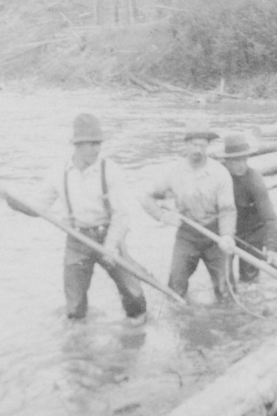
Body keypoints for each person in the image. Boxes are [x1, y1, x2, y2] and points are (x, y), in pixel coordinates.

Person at [23, 113, 147, 322]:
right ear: (77, 145)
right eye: (91, 144)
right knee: (74, 305)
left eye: (98, 143)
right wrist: (13, 202)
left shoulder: (110, 170)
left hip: (108, 236)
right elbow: (37, 208)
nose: (96, 149)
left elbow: (121, 215)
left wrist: (110, 246)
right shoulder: (58, 172)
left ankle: (135, 334)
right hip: (77, 239)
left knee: (133, 295)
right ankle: (79, 347)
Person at [140, 118, 236, 300]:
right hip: (187, 235)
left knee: (226, 292)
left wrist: (227, 235)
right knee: (175, 290)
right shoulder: (173, 172)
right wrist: (161, 215)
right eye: (194, 145)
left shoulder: (219, 173)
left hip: (214, 235)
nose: (198, 150)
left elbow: (227, 210)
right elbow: (145, 197)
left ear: (208, 146)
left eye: (202, 145)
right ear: (186, 144)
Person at [220, 132, 277, 284]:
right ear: (226, 161)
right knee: (223, 277)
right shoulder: (217, 176)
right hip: (227, 232)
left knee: (249, 281)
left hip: (253, 233)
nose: (241, 165)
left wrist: (271, 247)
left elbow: (269, 217)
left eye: (244, 160)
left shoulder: (254, 180)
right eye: (235, 161)